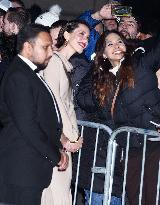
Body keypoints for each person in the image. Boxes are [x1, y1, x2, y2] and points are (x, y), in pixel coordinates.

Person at [77, 30, 160, 205]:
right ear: (103, 54)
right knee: (135, 198)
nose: (117, 46)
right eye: (110, 44)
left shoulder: (141, 64)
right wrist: (95, 67)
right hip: (129, 149)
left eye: (120, 42)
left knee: (154, 196)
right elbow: (82, 98)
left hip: (154, 142)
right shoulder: (103, 81)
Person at [0, 23, 68, 205]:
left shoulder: (26, 73)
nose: (50, 52)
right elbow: (28, 125)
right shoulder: (19, 76)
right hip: (21, 168)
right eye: (45, 47)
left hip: (27, 167)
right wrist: (56, 155)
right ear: (28, 47)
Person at [41, 19, 90, 205]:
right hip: (58, 144)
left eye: (88, 36)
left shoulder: (63, 64)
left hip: (63, 144)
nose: (85, 39)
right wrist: (65, 139)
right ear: (67, 35)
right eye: (81, 34)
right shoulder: (54, 62)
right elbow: (51, 105)